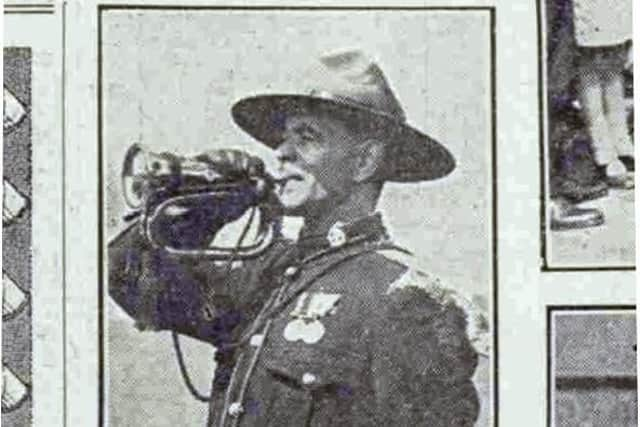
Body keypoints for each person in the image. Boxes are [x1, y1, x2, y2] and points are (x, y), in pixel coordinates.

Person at [109, 50, 488, 426]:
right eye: (283, 138)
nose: (281, 152)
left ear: (364, 162)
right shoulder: (268, 273)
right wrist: (205, 206)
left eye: (307, 137)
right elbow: (133, 283)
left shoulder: (405, 298)